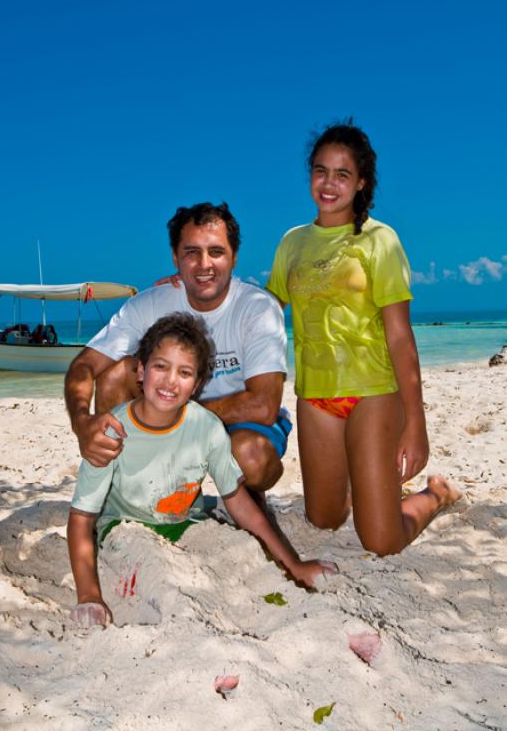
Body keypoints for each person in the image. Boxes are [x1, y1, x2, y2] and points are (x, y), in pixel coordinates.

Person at [266, 122, 461, 556]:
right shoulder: (292, 243)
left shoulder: (380, 239)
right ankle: (370, 478)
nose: (329, 184)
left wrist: (416, 424)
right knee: (324, 519)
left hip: (374, 392)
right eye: (320, 171)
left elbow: (399, 336)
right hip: (316, 397)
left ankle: (436, 494)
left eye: (342, 174)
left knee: (382, 540)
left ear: (361, 183)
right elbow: (261, 313)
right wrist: (195, 295)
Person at [67, 313, 334, 626]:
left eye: (184, 372)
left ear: (196, 385)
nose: (170, 381)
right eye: (160, 366)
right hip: (125, 527)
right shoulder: (111, 430)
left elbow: (238, 502)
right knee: (162, 580)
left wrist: (294, 565)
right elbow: (81, 519)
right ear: (141, 370)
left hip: (186, 521)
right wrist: (88, 596)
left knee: (245, 556)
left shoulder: (206, 426)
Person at [65, 202, 290, 493]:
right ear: (175, 258)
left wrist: (176, 417)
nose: (204, 264)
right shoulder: (151, 303)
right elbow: (83, 366)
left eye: (216, 251)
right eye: (191, 252)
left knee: (251, 455)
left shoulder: (257, 308)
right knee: (116, 374)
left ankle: (243, 500)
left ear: (234, 257)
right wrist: (83, 423)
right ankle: (125, 490)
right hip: (165, 413)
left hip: (237, 424)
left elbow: (263, 406)